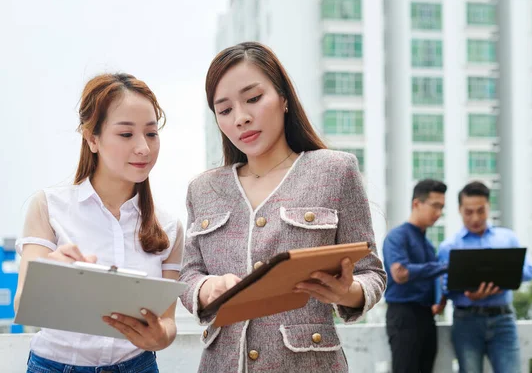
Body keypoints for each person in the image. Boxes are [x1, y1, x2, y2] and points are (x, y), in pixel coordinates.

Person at [178, 42, 386, 373]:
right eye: (225, 110)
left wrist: (349, 293)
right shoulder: (203, 189)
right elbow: (188, 273)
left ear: (283, 98)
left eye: (253, 99)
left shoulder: (335, 170)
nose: (241, 118)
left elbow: (371, 272)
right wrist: (205, 289)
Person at [14, 73, 184, 373]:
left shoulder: (168, 227)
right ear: (92, 138)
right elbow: (22, 306)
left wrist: (160, 337)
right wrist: (50, 273)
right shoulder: (48, 207)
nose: (144, 147)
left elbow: (167, 323)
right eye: (126, 134)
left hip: (138, 366)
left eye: (151, 133)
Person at [438, 181, 532, 373]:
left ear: (489, 207)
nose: (475, 217)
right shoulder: (449, 246)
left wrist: (503, 274)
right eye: (469, 211)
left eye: (481, 211)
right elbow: (445, 287)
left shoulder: (508, 238)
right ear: (459, 210)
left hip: (503, 320)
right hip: (466, 322)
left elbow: (529, 271)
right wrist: (469, 296)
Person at [383, 179, 449, 373]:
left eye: (442, 207)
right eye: (435, 206)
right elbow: (400, 273)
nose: (439, 213)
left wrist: (441, 299)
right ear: (416, 204)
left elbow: (433, 277)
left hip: (427, 315)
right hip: (403, 315)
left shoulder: (427, 244)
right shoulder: (397, 236)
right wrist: (444, 267)